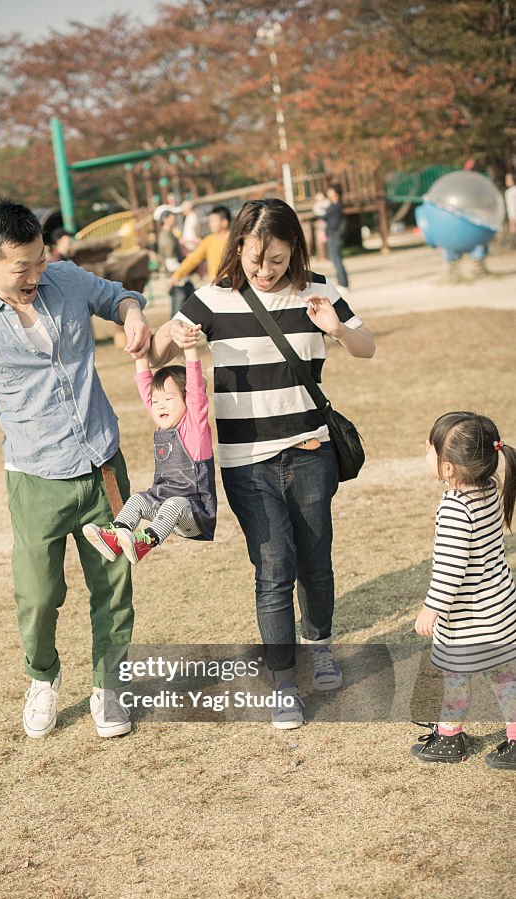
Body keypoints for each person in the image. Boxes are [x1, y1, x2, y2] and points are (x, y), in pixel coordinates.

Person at [151, 198, 375, 729]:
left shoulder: (319, 288)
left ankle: (318, 643)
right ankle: (282, 682)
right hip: (245, 462)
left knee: (315, 561)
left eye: (276, 259)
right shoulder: (212, 297)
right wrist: (179, 336)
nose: (266, 270)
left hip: (310, 450)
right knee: (273, 567)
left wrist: (336, 328)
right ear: (238, 250)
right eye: (256, 259)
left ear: (294, 248)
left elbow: (366, 346)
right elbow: (161, 339)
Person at [0, 198, 152, 741]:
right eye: (21, 268)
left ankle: (109, 686)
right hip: (34, 480)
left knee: (113, 585)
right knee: (37, 595)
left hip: (103, 468)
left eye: (39, 261)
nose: (35, 275)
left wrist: (134, 315)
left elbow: (120, 296)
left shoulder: (67, 280)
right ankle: (42, 678)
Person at [411, 412, 516, 770]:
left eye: (430, 448)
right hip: (500, 610)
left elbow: (451, 568)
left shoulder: (456, 507)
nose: (425, 451)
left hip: (470, 620)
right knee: (504, 675)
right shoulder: (488, 488)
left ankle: (449, 737)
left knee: (456, 677)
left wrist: (431, 607)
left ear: (450, 468)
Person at [83, 344, 216, 564]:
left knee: (175, 503)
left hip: (194, 513)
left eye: (168, 399)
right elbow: (146, 388)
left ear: (186, 400)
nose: (159, 406)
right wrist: (141, 356)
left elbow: (196, 391)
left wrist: (191, 350)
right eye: (156, 402)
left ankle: (144, 543)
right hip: (163, 506)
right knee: (136, 500)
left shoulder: (194, 428)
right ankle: (114, 538)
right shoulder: (162, 427)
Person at [169, 205, 231, 289]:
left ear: (224, 222)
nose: (210, 224)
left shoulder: (235, 240)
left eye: (213, 221)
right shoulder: (209, 240)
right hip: (217, 287)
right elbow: (193, 259)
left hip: (235, 285)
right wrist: (177, 275)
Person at [157, 208, 194, 316]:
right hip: (177, 280)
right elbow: (170, 262)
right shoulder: (166, 237)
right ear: (166, 219)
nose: (175, 217)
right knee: (177, 315)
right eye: (172, 215)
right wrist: (184, 271)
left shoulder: (169, 234)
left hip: (180, 278)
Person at [321, 183, 349, 290]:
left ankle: (343, 284)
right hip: (332, 235)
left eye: (331, 191)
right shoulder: (333, 205)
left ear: (336, 193)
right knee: (335, 259)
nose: (328, 193)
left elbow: (324, 216)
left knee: (337, 260)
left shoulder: (337, 206)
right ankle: (342, 283)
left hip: (335, 235)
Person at [504, 172, 516, 242]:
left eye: (508, 178)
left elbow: (511, 208)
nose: (506, 180)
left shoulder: (509, 192)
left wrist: (511, 223)